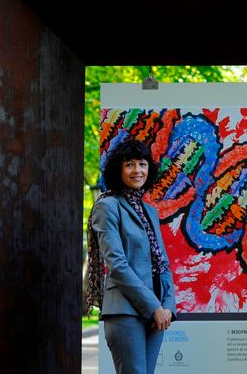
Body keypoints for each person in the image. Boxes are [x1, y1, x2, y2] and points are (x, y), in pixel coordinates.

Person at [84, 139, 176, 374]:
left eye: (142, 164)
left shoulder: (150, 211)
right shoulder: (108, 206)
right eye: (130, 165)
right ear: (119, 169)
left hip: (157, 313)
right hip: (125, 312)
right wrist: (153, 305)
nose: (138, 171)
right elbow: (117, 264)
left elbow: (162, 263)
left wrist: (167, 307)